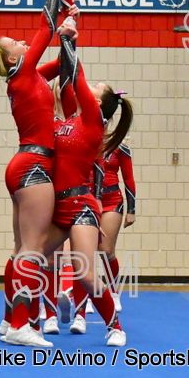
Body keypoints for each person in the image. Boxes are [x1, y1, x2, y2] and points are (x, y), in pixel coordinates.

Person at [0, 0, 72, 346]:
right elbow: (44, 30)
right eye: (15, 43)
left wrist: (71, 27)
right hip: (34, 166)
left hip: (24, 165)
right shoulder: (22, 73)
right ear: (13, 59)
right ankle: (20, 325)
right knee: (33, 249)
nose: (22, 42)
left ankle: (7, 320)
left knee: (21, 248)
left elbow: (63, 63)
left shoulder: (27, 77)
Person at [37, 26, 131, 347]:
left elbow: (75, 78)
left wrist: (68, 40)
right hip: (55, 205)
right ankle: (36, 317)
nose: (88, 86)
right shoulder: (68, 121)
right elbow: (67, 81)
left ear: (98, 102)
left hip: (80, 207)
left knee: (86, 275)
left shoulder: (92, 122)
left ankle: (115, 326)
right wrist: (65, 39)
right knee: (32, 260)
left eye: (94, 87)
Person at [97, 140, 136, 317]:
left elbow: (128, 178)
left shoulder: (120, 146)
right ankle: (89, 293)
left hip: (111, 200)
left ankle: (113, 292)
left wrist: (131, 210)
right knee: (85, 250)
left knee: (106, 250)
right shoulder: (85, 140)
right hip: (88, 198)